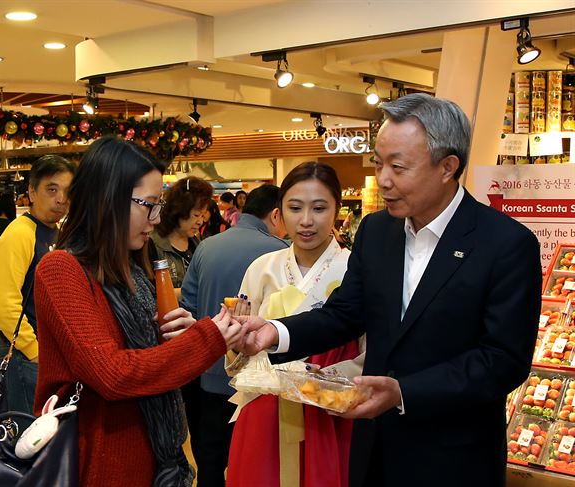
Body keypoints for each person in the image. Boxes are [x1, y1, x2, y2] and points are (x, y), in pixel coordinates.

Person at [236, 94, 542, 487]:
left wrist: (404, 393)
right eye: (379, 164)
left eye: (398, 167)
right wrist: (275, 332)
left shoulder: (504, 244)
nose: (382, 180)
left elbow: (503, 360)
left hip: (455, 457)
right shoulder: (378, 231)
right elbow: (345, 313)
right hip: (375, 450)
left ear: (448, 167)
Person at [33, 136, 244, 486]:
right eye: (148, 205)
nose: (156, 218)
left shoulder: (129, 266)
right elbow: (112, 374)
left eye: (158, 204)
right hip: (98, 462)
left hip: (153, 455)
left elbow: (144, 357)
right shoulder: (61, 269)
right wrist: (205, 339)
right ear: (108, 200)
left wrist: (179, 335)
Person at [227, 163, 361, 487]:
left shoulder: (354, 268)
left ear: (337, 210)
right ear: (279, 213)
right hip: (265, 411)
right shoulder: (262, 269)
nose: (306, 221)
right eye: (295, 207)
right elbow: (236, 364)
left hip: (329, 413)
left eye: (319, 208)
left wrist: (327, 382)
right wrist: (234, 344)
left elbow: (370, 353)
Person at [180, 184, 288, 486]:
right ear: (276, 214)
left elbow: (186, 304)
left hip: (209, 375)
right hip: (259, 384)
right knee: (255, 467)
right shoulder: (280, 253)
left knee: (210, 464)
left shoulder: (206, 246)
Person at [0, 155, 75, 413]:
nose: (61, 199)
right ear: (32, 192)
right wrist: (36, 352)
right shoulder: (19, 234)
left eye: (67, 191)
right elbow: (4, 305)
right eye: (52, 189)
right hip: (23, 357)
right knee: (22, 443)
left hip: (43, 355)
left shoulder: (56, 232)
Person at [148, 175, 213, 466]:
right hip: (163, 346)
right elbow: (149, 293)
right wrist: (187, 290)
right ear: (179, 211)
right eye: (196, 214)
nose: (201, 220)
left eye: (204, 213)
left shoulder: (199, 246)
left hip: (194, 345)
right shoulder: (153, 245)